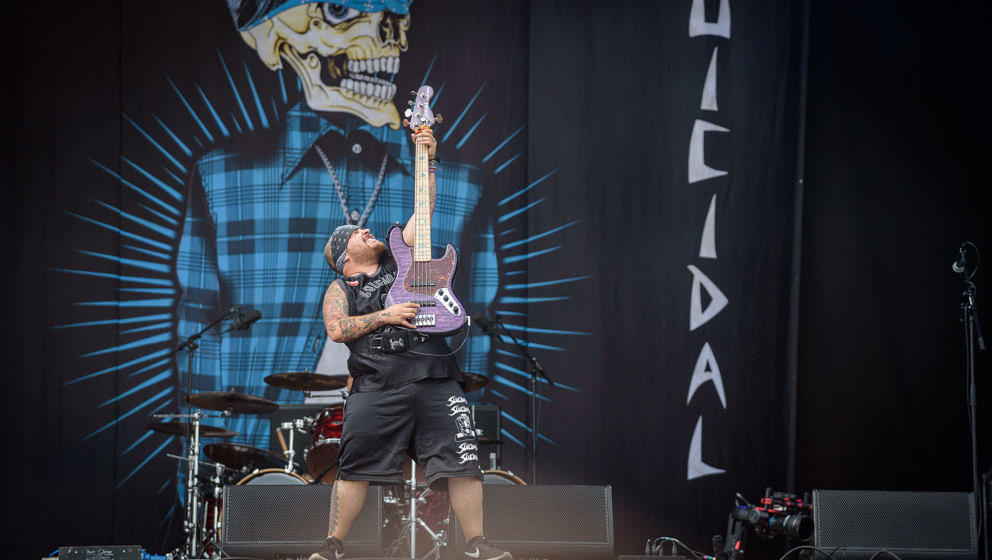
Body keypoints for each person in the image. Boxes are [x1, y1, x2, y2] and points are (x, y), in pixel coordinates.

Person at [309, 128, 511, 560]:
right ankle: (333, 546)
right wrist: (385, 315)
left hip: (436, 379)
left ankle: (477, 544)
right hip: (377, 387)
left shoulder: (401, 254)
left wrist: (428, 159)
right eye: (356, 233)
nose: (365, 230)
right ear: (346, 258)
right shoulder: (340, 289)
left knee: (464, 461)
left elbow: (427, 208)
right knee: (354, 469)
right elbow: (336, 329)